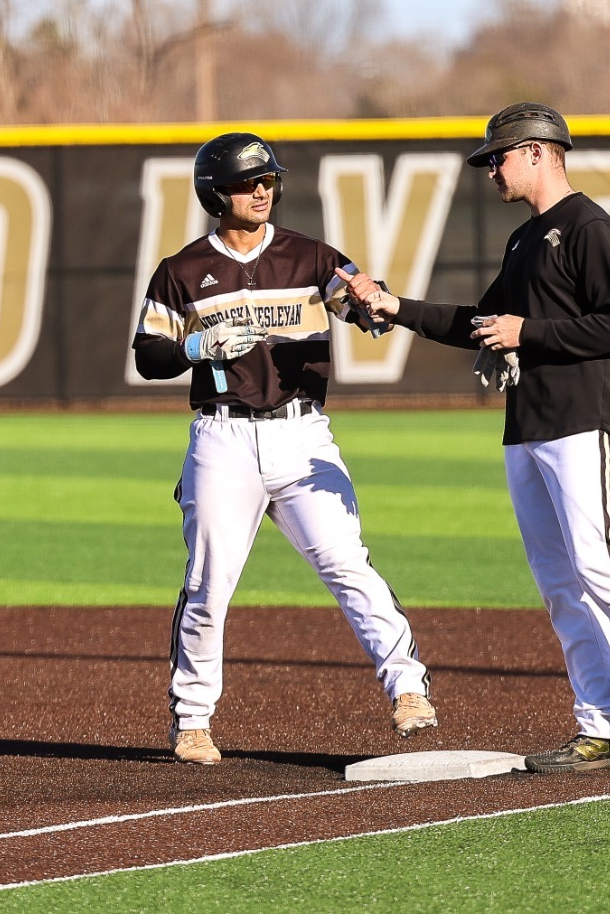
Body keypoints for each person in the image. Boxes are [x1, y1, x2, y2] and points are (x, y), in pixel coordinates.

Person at [339, 102, 610, 775]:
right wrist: (393, 306)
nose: (491, 168)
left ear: (541, 152)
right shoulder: (524, 240)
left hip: (585, 422)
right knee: (560, 583)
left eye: (499, 156)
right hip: (527, 428)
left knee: (601, 564)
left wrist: (530, 333)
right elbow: (481, 321)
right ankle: (604, 725)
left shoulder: (589, 227)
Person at [132, 132, 437, 765]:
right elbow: (147, 353)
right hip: (223, 437)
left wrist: (369, 305)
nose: (264, 190)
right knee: (208, 583)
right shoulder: (183, 270)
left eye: (269, 179)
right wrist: (195, 347)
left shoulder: (312, 256)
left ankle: (407, 688)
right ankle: (192, 720)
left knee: (349, 565)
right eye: (249, 183)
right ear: (217, 193)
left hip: (301, 434)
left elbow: (362, 304)